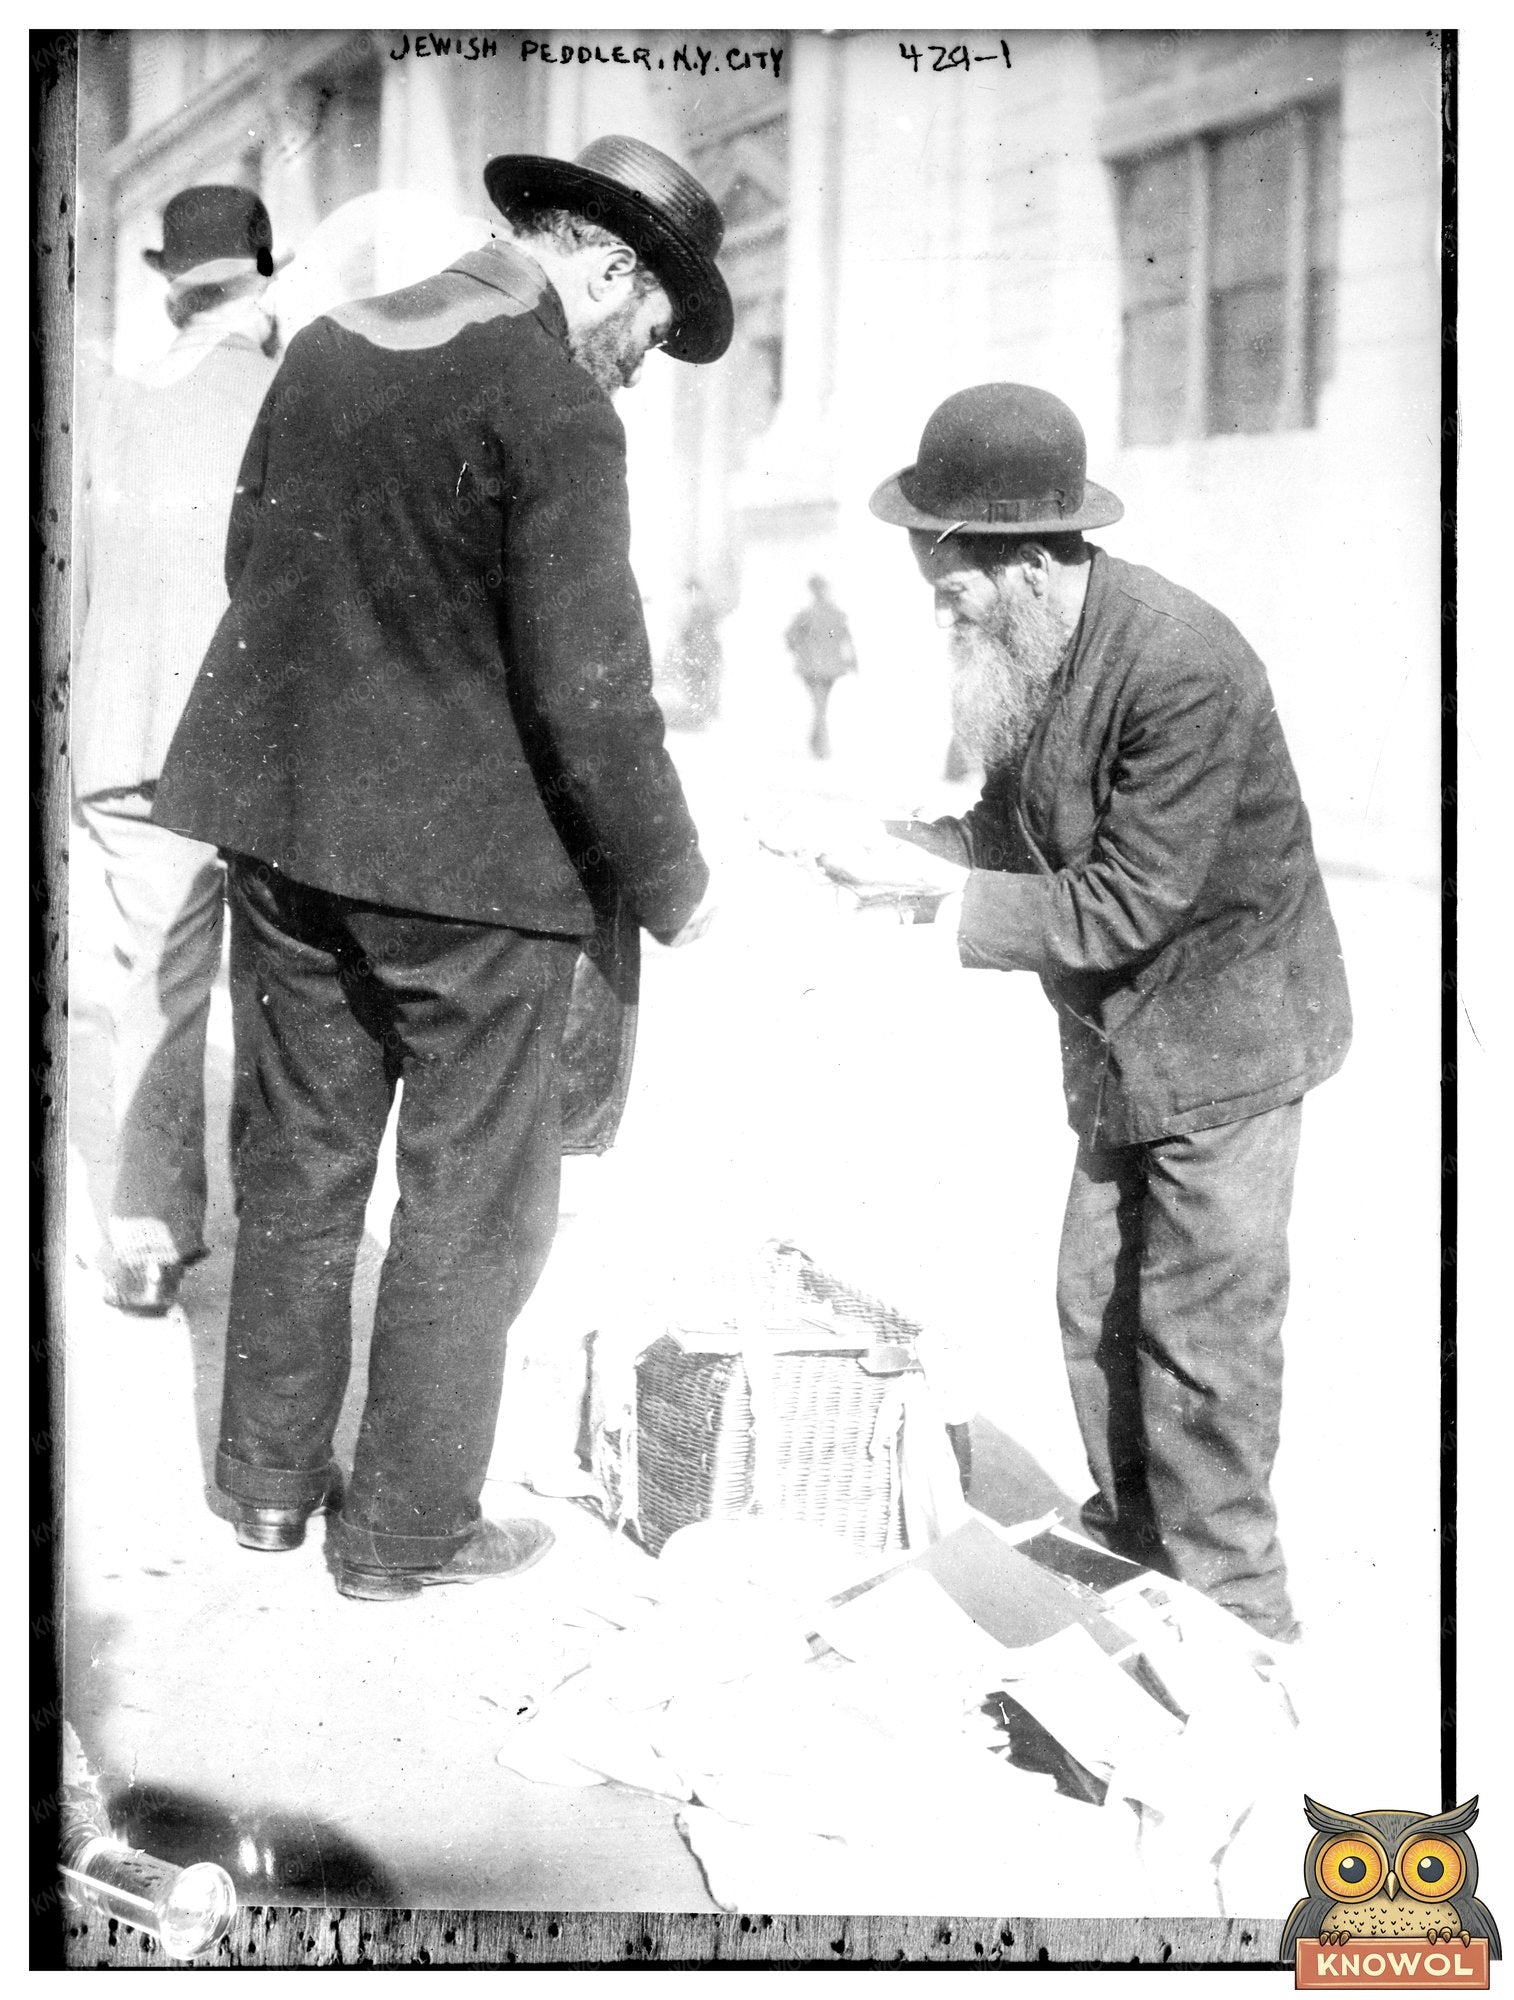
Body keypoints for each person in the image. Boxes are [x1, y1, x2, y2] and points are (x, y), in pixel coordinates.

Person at [153, 136, 730, 1602]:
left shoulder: (333, 344)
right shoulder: (550, 403)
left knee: (297, 1165)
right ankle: (404, 1532)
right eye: (650, 325)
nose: (642, 361)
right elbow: (593, 697)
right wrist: (678, 881)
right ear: (606, 262)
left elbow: (250, 565)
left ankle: (266, 1490)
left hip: (284, 834)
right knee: (473, 1204)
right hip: (464, 885)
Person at [867, 383, 1352, 1644]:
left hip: (1224, 1038)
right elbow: (1024, 831)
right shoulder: (1034, 649)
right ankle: (1145, 1552)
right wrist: (894, 851)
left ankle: (1241, 1620)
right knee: (1093, 1301)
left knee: (1198, 1340)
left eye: (950, 568)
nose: (937, 593)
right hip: (1122, 1038)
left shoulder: (1178, 659)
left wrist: (943, 904)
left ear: (1027, 561)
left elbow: (1125, 898)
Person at [73, 186, 284, 1316]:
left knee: (156, 990)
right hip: (262, 742)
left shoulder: (109, 401)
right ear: (262, 276)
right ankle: (282, 1243)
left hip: (129, 741)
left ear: (171, 284)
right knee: (281, 996)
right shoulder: (292, 391)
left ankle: (149, 1238)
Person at [785, 574, 857, 759]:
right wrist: (852, 660)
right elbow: (844, 638)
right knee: (820, 705)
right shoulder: (831, 613)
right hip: (827, 667)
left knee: (819, 705)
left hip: (814, 667)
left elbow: (790, 637)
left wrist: (799, 649)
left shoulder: (808, 614)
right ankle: (820, 744)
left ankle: (818, 743)